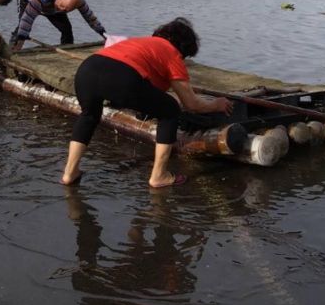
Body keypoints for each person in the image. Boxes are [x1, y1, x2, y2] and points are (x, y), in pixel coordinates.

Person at [60, 17, 230, 189]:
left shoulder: (141, 43)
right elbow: (191, 104)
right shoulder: (172, 54)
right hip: (120, 76)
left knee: (89, 116)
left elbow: (148, 89)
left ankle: (70, 172)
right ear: (183, 49)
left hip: (87, 69)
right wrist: (217, 104)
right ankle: (159, 176)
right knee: (170, 109)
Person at [10, 0, 108, 50]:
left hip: (51, 1)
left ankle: (68, 49)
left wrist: (104, 34)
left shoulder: (77, 0)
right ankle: (12, 50)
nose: (61, 10)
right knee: (22, 26)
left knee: (66, 29)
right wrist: (22, 39)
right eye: (62, 7)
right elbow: (28, 18)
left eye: (66, 10)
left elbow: (90, 17)